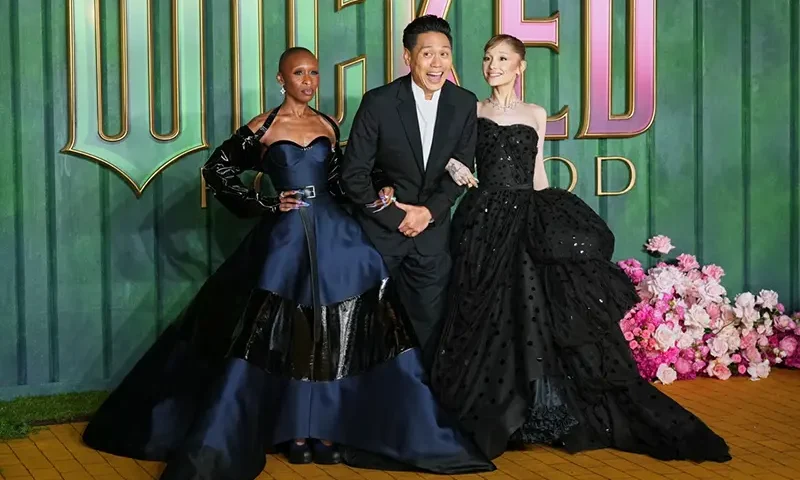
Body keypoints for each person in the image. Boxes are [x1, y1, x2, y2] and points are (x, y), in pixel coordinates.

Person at [81, 47, 493, 479]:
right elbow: (217, 170)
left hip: (335, 234)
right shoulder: (263, 126)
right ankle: (295, 429)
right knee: (287, 331)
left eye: (314, 72)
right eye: (299, 73)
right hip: (286, 236)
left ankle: (328, 429)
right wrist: (262, 203)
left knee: (335, 330)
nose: (309, 80)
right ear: (282, 79)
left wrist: (383, 187)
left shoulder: (328, 125)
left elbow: (342, 180)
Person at [429, 34, 732, 463]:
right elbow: (449, 156)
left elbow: (536, 175)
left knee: (530, 314)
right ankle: (493, 414)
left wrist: (550, 219)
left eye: (501, 59)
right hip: (481, 221)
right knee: (486, 314)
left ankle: (538, 415)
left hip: (523, 218)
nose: (491, 65)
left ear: (520, 67)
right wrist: (456, 167)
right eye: (487, 58)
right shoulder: (471, 110)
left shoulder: (535, 114)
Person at [341, 15, 479, 370]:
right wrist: (397, 216)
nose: (437, 64)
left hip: (432, 241)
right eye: (428, 54)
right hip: (379, 239)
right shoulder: (379, 102)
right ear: (408, 57)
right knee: (369, 332)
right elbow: (353, 176)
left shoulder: (464, 103)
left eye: (444, 54)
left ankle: (427, 413)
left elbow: (460, 170)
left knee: (431, 333)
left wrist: (427, 213)